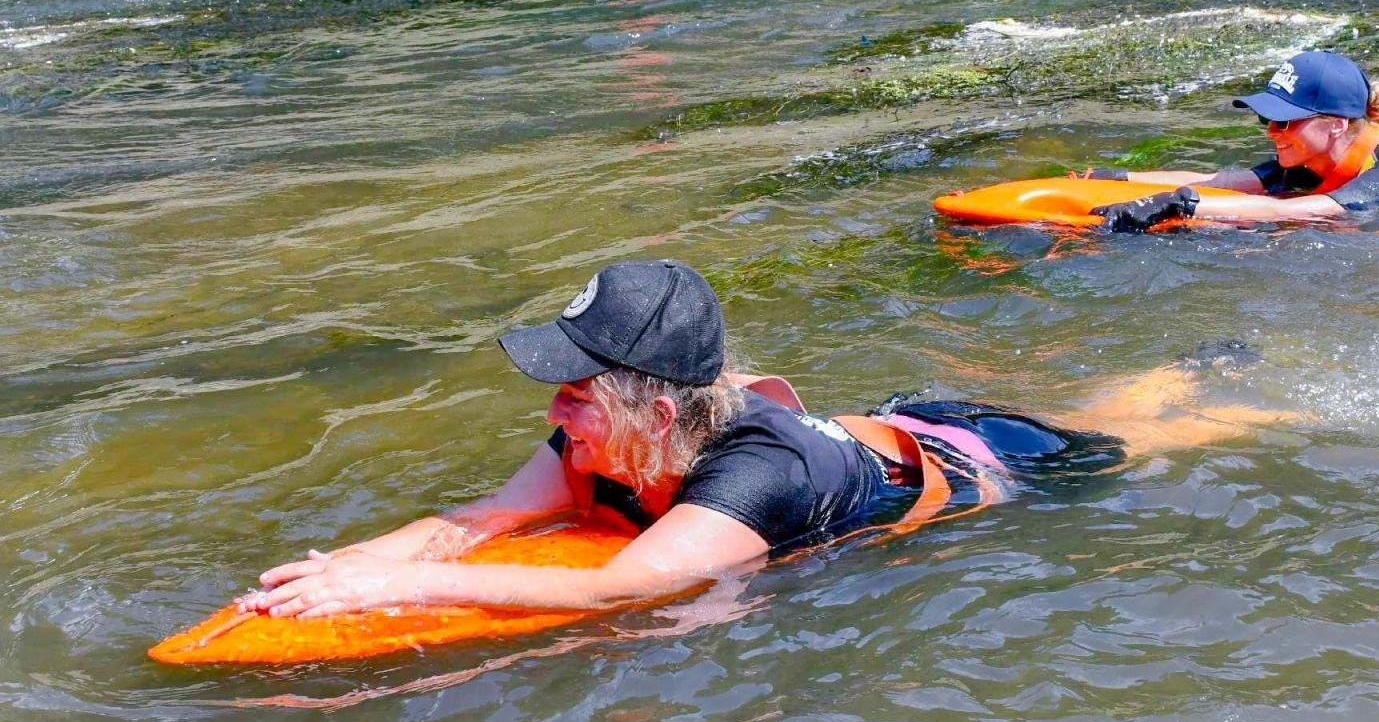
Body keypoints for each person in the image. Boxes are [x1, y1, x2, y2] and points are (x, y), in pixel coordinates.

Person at [238, 260, 1289, 620]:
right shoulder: (598, 438)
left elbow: (623, 588)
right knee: (1133, 405)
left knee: (1158, 437)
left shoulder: (757, 471)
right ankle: (1191, 370)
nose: (554, 403)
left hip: (998, 464)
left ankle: (1251, 391)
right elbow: (477, 523)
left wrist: (401, 597)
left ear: (651, 407)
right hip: (908, 425)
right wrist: (340, 570)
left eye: (574, 385)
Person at [1085, 50, 1379, 232]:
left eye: (1285, 121)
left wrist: (1181, 205)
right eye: (1267, 118)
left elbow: (1310, 209)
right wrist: (1120, 177)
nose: (1271, 131)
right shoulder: (1314, 158)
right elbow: (1224, 180)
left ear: (1334, 124)